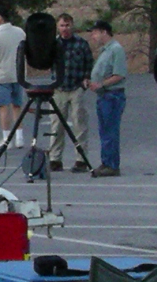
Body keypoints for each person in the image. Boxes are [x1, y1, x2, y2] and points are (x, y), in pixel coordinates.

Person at [50, 14, 94, 172]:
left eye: (67, 25)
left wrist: (86, 79)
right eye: (62, 25)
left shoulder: (81, 44)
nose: (65, 28)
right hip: (58, 89)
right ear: (58, 27)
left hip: (76, 88)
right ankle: (55, 158)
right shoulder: (53, 44)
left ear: (72, 26)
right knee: (57, 125)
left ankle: (81, 160)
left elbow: (89, 62)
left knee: (79, 124)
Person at [87, 20, 126, 177]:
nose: (93, 36)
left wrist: (101, 84)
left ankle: (112, 165)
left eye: (95, 32)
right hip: (103, 96)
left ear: (104, 32)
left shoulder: (116, 50)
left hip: (112, 95)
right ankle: (106, 161)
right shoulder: (105, 51)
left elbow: (119, 74)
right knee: (104, 131)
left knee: (110, 130)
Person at [0, 7, 26, 146]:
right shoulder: (20, 32)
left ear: (0, 17)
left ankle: (7, 139)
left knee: (4, 107)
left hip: (1, 76)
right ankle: (19, 137)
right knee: (17, 106)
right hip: (18, 75)